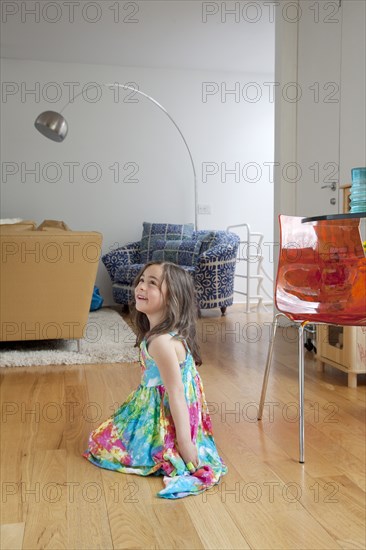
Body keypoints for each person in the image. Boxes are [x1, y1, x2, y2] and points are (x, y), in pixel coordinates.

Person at [83, 261, 227, 499]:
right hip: (157, 405)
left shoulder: (161, 342)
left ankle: (165, 442)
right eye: (141, 280)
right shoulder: (166, 334)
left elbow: (177, 392)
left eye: (152, 283)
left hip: (160, 415)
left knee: (101, 443)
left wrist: (185, 443)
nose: (141, 286)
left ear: (172, 299)